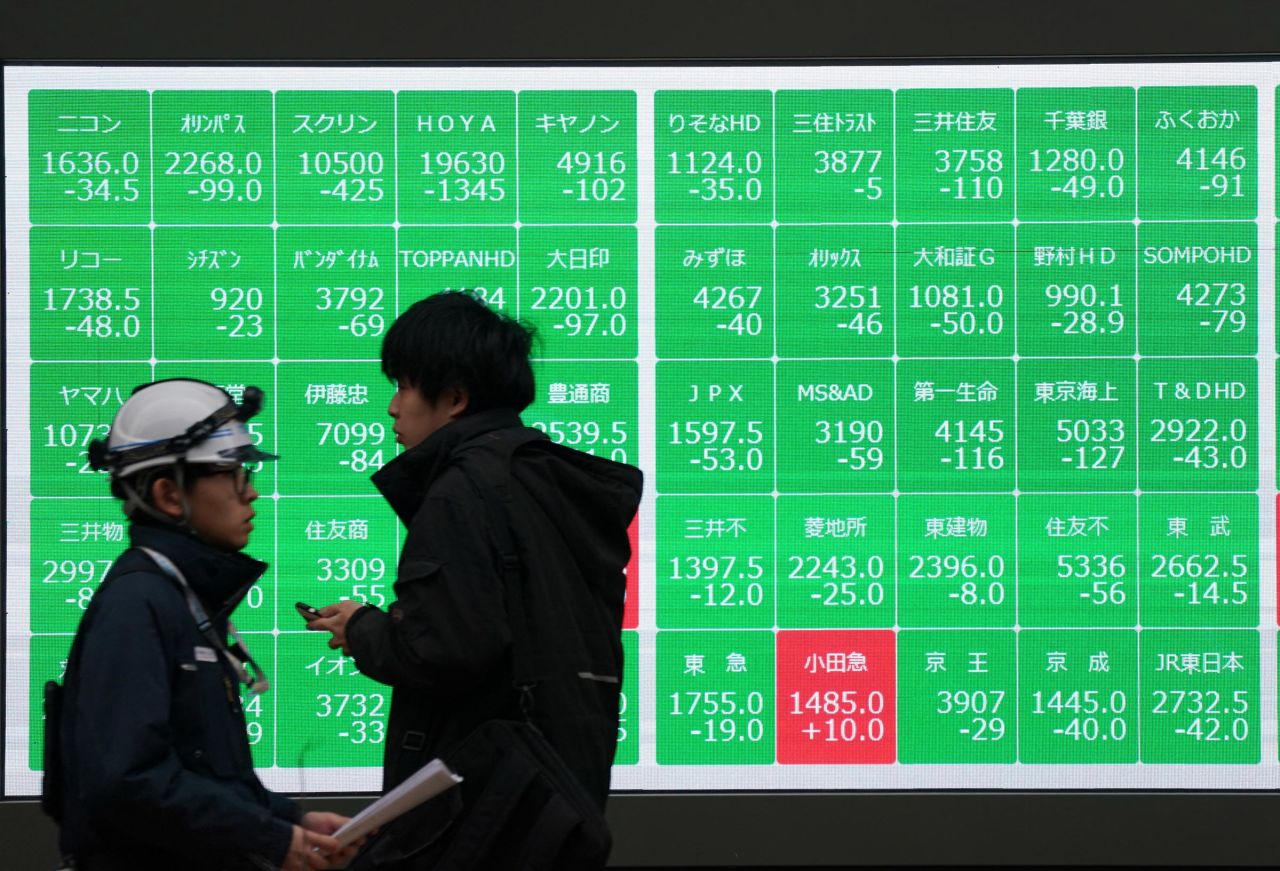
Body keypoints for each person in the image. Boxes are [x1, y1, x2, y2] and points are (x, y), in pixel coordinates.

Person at [307, 292, 642, 860]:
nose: (392, 407)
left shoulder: (462, 490)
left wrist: (362, 627)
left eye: (405, 386)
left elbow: (449, 649)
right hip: (554, 800)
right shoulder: (550, 484)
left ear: (454, 398)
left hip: (477, 810)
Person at [49, 378, 358, 871]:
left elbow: (203, 770)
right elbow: (128, 783)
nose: (253, 492)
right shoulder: (138, 604)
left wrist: (288, 821)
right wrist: (268, 837)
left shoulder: (175, 596)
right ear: (170, 495)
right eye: (235, 473)